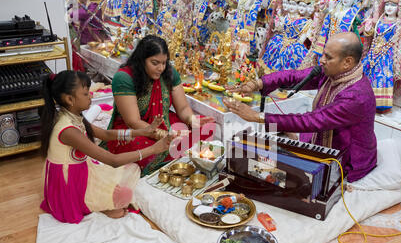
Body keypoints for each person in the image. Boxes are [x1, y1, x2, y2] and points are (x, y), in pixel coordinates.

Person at [224, 32, 377, 183]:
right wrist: (257, 83)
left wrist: (258, 117)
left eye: (328, 57)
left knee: (277, 177)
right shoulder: (332, 72)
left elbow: (312, 121)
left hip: (346, 162)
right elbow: (294, 76)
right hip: (318, 144)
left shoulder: (357, 96)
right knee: (257, 164)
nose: (322, 60)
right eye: (323, 54)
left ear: (347, 62)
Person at [40, 70, 179, 224]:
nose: (91, 96)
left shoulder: (72, 116)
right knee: (123, 195)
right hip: (70, 184)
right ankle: (101, 205)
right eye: (86, 94)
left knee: (132, 171)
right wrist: (154, 149)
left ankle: (105, 202)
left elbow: (105, 135)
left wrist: (142, 131)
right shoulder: (69, 130)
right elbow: (113, 160)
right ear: (69, 99)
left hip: (82, 170)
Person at [104, 35, 215, 176]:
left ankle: (180, 154)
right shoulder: (124, 78)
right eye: (154, 63)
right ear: (141, 60)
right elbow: (133, 121)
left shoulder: (168, 72)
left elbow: (183, 108)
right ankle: (175, 158)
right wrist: (164, 135)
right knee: (147, 152)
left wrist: (191, 120)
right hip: (135, 130)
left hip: (163, 120)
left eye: (164, 62)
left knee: (205, 126)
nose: (160, 68)